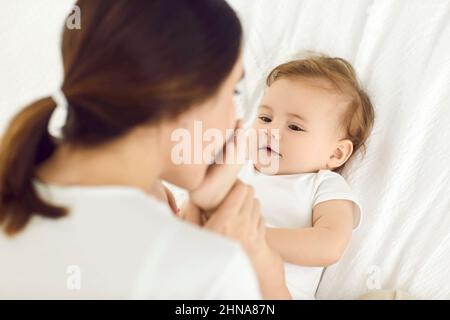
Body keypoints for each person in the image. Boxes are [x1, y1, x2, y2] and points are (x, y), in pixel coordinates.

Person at [0, 0, 290, 299]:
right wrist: (253, 260)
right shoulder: (209, 270)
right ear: (182, 100)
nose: (236, 119)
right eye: (233, 92)